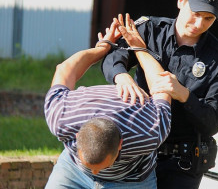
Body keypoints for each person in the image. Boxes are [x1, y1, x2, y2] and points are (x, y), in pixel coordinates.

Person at [101, 0, 218, 188]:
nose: (199, 24)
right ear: (181, 1)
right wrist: (121, 76)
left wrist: (183, 94)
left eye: (208, 18)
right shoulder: (149, 29)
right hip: (138, 152)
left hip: (182, 164)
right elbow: (113, 56)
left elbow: (214, 121)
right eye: (196, 14)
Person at [44, 17, 172, 189]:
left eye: (104, 166)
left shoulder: (150, 129)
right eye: (91, 165)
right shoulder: (62, 117)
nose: (96, 173)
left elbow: (162, 87)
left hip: (132, 179)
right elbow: (65, 70)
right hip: (74, 172)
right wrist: (101, 49)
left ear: (120, 144)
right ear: (77, 137)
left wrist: (140, 50)